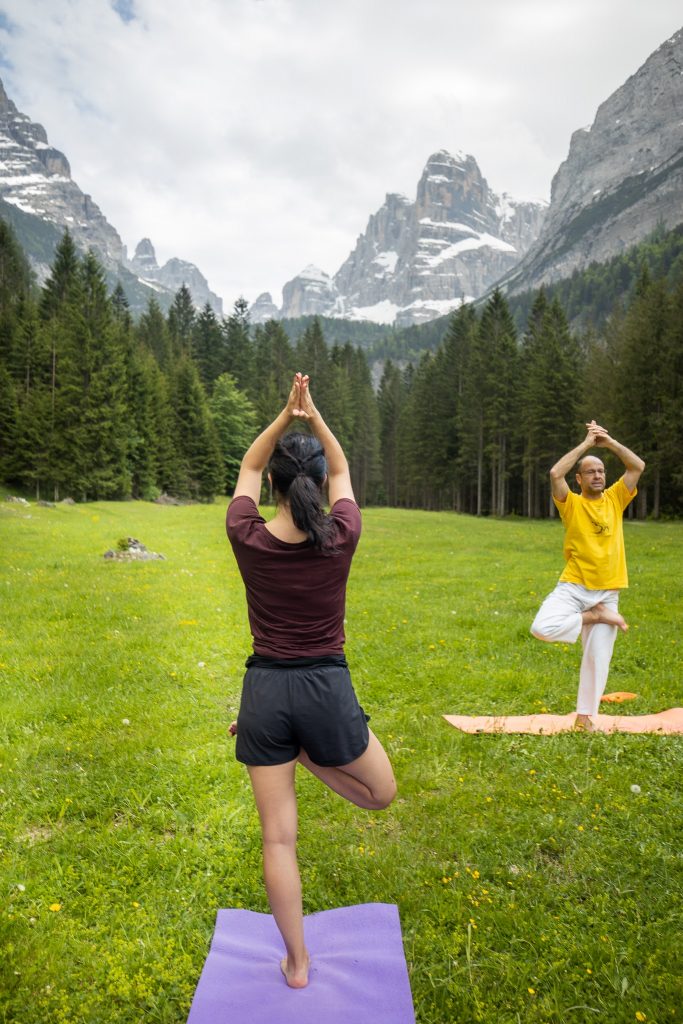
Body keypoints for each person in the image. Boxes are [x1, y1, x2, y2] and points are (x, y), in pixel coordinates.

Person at [226, 372, 396, 989]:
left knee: (278, 840)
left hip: (265, 695)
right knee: (381, 793)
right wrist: (313, 419)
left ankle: (297, 967)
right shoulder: (341, 536)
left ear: (272, 481)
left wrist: (282, 418)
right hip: (326, 688)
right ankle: (306, 750)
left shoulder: (246, 536)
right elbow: (345, 474)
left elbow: (246, 468)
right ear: (319, 483)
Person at [530, 420, 645, 729]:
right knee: (541, 627)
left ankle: (585, 718)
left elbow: (637, 466)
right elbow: (556, 473)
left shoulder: (616, 498)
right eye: (591, 472)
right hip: (574, 587)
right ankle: (594, 616)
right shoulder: (572, 504)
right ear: (579, 478)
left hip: (608, 591)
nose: (598, 475)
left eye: (601, 471)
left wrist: (607, 443)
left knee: (597, 657)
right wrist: (586, 444)